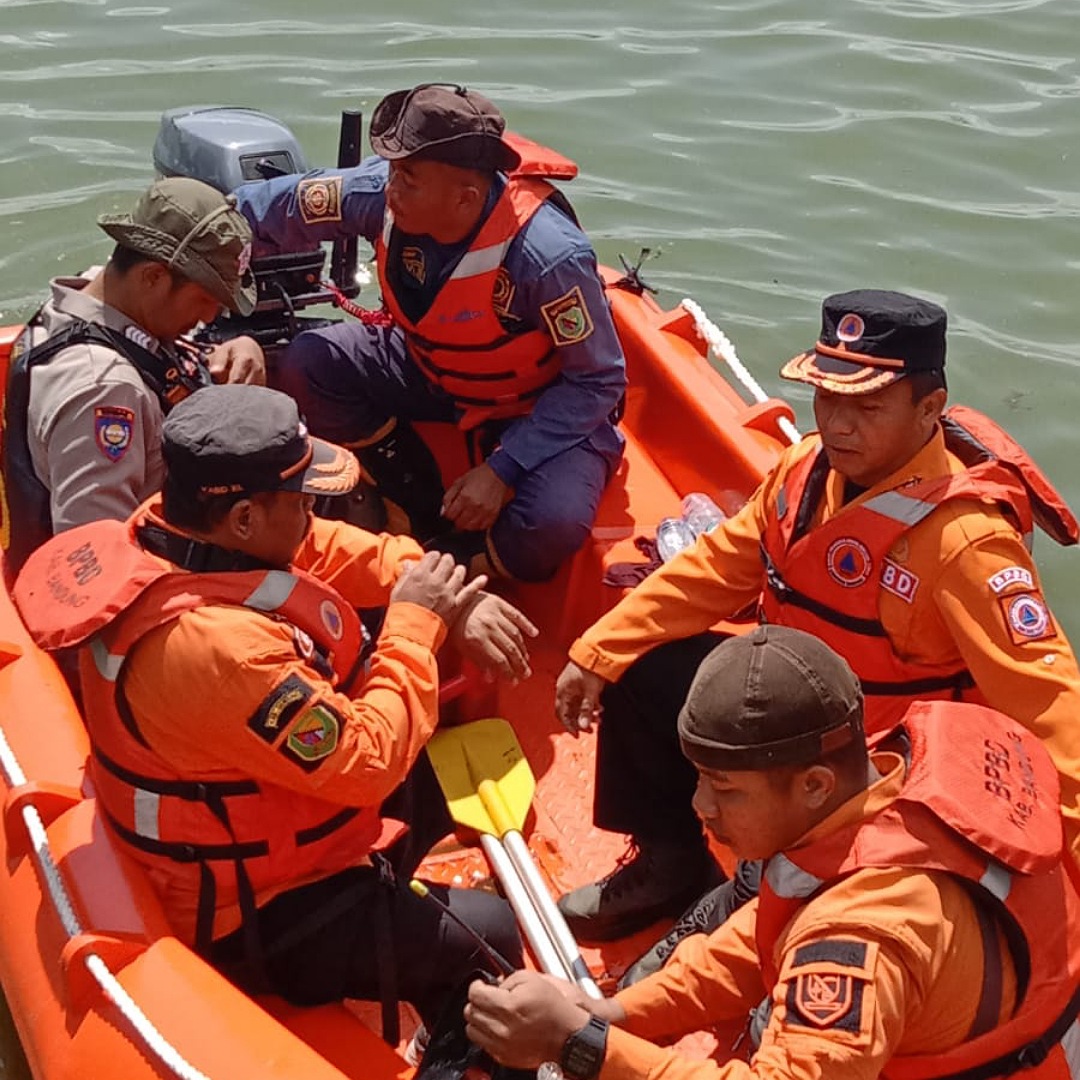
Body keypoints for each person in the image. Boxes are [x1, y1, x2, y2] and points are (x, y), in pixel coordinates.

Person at [552, 288, 1080, 969]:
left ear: (930, 409)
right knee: (646, 665)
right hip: (788, 717)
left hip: (880, 768)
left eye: (868, 408)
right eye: (827, 400)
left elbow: (1049, 707)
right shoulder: (803, 472)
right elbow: (717, 568)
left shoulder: (967, 545)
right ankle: (671, 861)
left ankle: (763, 912)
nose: (838, 425)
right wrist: (599, 651)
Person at [13, 383, 537, 1040]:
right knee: (491, 939)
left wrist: (446, 594)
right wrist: (414, 624)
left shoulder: (174, 528)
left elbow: (324, 547)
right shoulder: (219, 652)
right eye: (302, 502)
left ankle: (394, 926)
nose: (313, 514)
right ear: (244, 518)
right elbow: (367, 764)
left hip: (264, 831)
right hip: (248, 909)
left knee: (430, 779)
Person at [465, 627, 1080, 1079]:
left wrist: (583, 1046)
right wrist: (614, 1012)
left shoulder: (860, 938)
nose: (700, 805)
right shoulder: (885, 787)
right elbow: (761, 932)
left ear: (814, 785)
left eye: (725, 788)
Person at [234, 82, 626, 582]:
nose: (391, 188)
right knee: (309, 362)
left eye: (409, 180)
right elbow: (263, 209)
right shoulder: (383, 193)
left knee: (553, 522)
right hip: (431, 366)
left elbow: (597, 381)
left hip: (535, 405)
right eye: (393, 172)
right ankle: (410, 498)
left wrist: (504, 469)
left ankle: (458, 564)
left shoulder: (548, 257)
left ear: (465, 198)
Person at [1, 176, 268, 581]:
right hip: (141, 581)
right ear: (153, 277)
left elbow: (156, 350)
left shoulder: (93, 296)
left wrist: (241, 346)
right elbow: (92, 561)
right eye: (205, 299)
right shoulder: (104, 389)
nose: (211, 317)